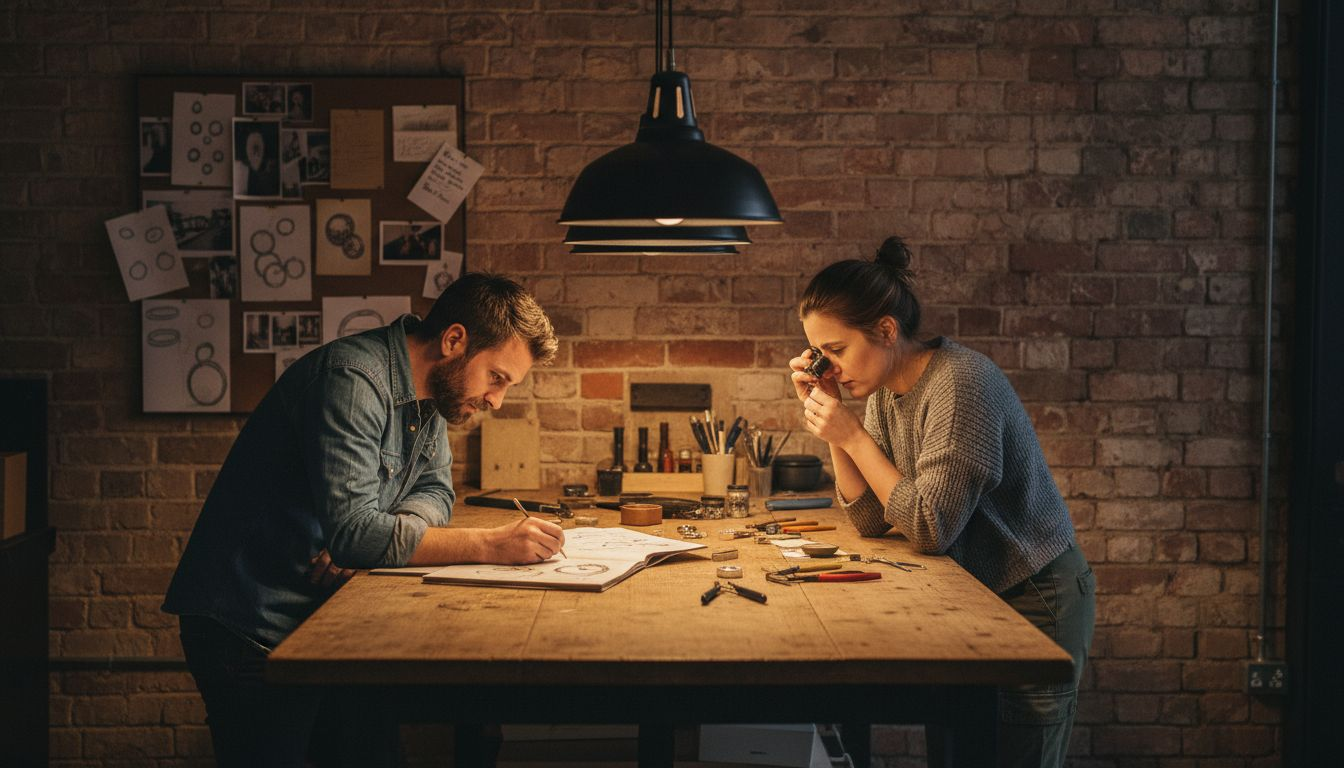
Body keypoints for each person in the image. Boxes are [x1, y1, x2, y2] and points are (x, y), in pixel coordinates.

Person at [163, 273, 562, 767]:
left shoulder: (432, 393)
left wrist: (379, 535)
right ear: (454, 340)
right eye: (497, 377)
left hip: (324, 621)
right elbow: (356, 535)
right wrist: (487, 545)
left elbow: (435, 493)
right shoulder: (351, 380)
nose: (497, 400)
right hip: (250, 625)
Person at [788, 237, 1095, 768]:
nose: (829, 368)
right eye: (821, 356)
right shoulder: (884, 391)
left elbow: (930, 526)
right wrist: (834, 420)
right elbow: (870, 518)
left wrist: (854, 437)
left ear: (886, 330)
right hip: (975, 599)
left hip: (1034, 599)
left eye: (836, 351)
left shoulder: (961, 382)